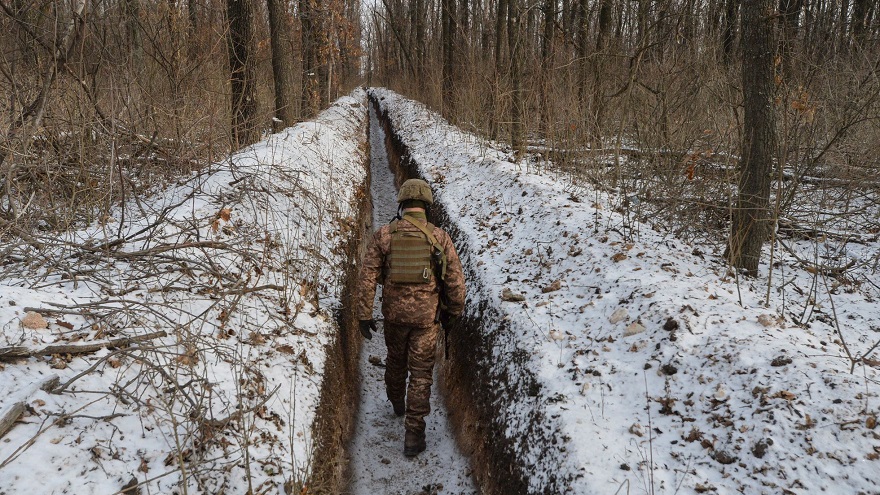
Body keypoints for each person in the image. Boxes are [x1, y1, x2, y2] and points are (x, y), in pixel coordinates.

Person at [357, 178, 466, 457]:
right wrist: (453, 313)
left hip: (394, 318)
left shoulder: (384, 235)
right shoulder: (439, 237)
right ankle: (413, 434)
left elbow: (367, 276)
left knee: (395, 361)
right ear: (426, 205)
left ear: (402, 204)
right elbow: (455, 282)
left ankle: (396, 401)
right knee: (420, 374)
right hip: (425, 320)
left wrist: (363, 315)